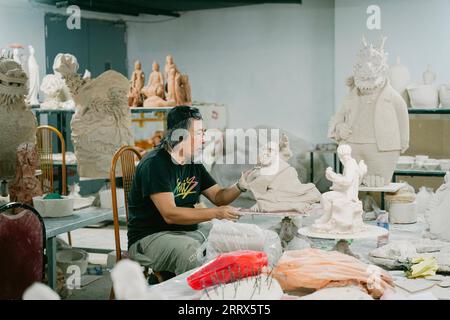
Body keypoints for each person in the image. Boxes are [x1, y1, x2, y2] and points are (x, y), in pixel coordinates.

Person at [127, 106, 248, 283]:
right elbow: (171, 214)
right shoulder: (155, 164)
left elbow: (219, 197)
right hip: (150, 238)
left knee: (233, 237)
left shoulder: (193, 163)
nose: (204, 139)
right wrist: (216, 213)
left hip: (185, 232)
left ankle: (217, 291)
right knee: (192, 253)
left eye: (203, 132)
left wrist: (241, 185)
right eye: (199, 133)